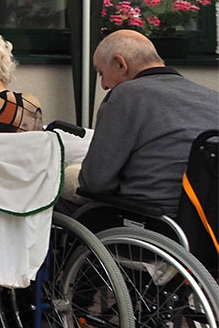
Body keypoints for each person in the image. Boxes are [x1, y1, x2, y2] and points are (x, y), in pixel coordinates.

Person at [72, 30, 218, 215]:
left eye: (101, 73)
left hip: (151, 217)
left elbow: (95, 182)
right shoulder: (211, 97)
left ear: (120, 64)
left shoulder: (126, 95)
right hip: (206, 224)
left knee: (54, 194)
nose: (104, 85)